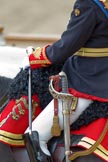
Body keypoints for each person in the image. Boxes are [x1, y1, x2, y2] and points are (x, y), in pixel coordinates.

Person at [0, 0, 108, 161]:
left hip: (88, 78)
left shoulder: (88, 4)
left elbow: (66, 46)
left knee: (35, 135)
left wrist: (35, 57)